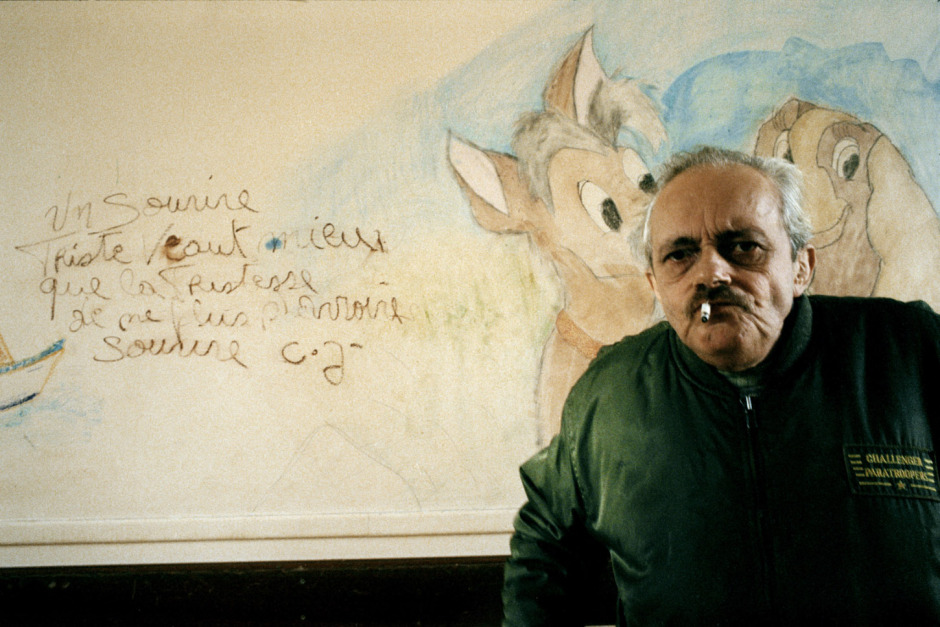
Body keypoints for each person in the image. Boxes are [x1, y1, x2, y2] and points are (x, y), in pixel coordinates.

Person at [502, 146, 940, 625]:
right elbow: (543, 549)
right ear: (655, 283)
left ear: (801, 267)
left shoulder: (911, 354)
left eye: (744, 247)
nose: (711, 273)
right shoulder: (608, 394)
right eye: (680, 255)